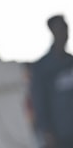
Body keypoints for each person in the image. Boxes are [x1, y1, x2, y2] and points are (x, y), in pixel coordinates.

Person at [31, 15, 73, 147]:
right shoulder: (42, 67)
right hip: (60, 135)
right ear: (53, 31)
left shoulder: (70, 61)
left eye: (65, 28)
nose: (64, 33)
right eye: (60, 29)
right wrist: (46, 131)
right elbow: (39, 100)